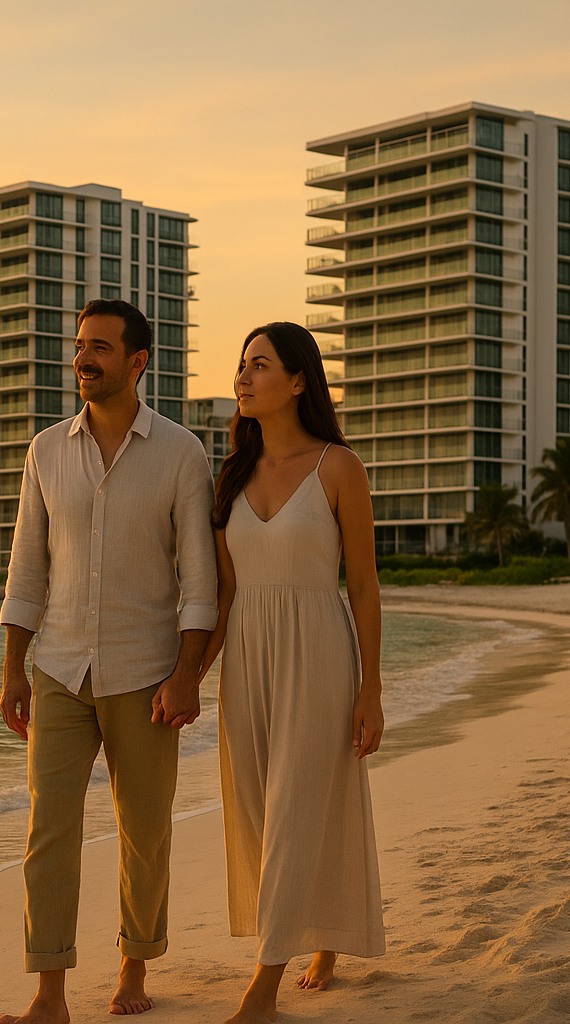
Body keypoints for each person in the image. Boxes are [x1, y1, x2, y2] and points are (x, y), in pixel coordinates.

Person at [0, 299, 218, 1023]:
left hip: (146, 673)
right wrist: (12, 669)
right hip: (58, 669)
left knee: (144, 831)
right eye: (80, 345)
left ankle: (133, 967)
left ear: (137, 361)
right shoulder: (45, 450)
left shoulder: (182, 453)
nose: (83, 358)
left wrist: (186, 676)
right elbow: (27, 567)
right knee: (47, 834)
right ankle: (50, 994)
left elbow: (199, 578)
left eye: (100, 347)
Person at [199, 321, 386, 1024]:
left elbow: (363, 586)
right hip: (246, 655)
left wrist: (370, 689)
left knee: (297, 810)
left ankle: (262, 989)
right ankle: (321, 936)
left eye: (259, 365)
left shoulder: (339, 467)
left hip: (318, 650)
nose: (242, 379)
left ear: (300, 380)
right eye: (241, 366)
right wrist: (189, 675)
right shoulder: (233, 474)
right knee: (256, 813)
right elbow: (222, 596)